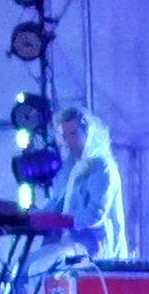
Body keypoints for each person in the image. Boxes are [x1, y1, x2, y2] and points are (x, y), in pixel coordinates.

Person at [50, 103, 125, 260]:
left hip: (96, 251)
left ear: (88, 133)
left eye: (73, 134)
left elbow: (95, 214)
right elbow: (55, 202)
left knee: (40, 265)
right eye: (64, 136)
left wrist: (64, 221)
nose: (68, 142)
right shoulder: (70, 166)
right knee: (30, 265)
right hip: (73, 244)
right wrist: (28, 217)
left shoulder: (102, 167)